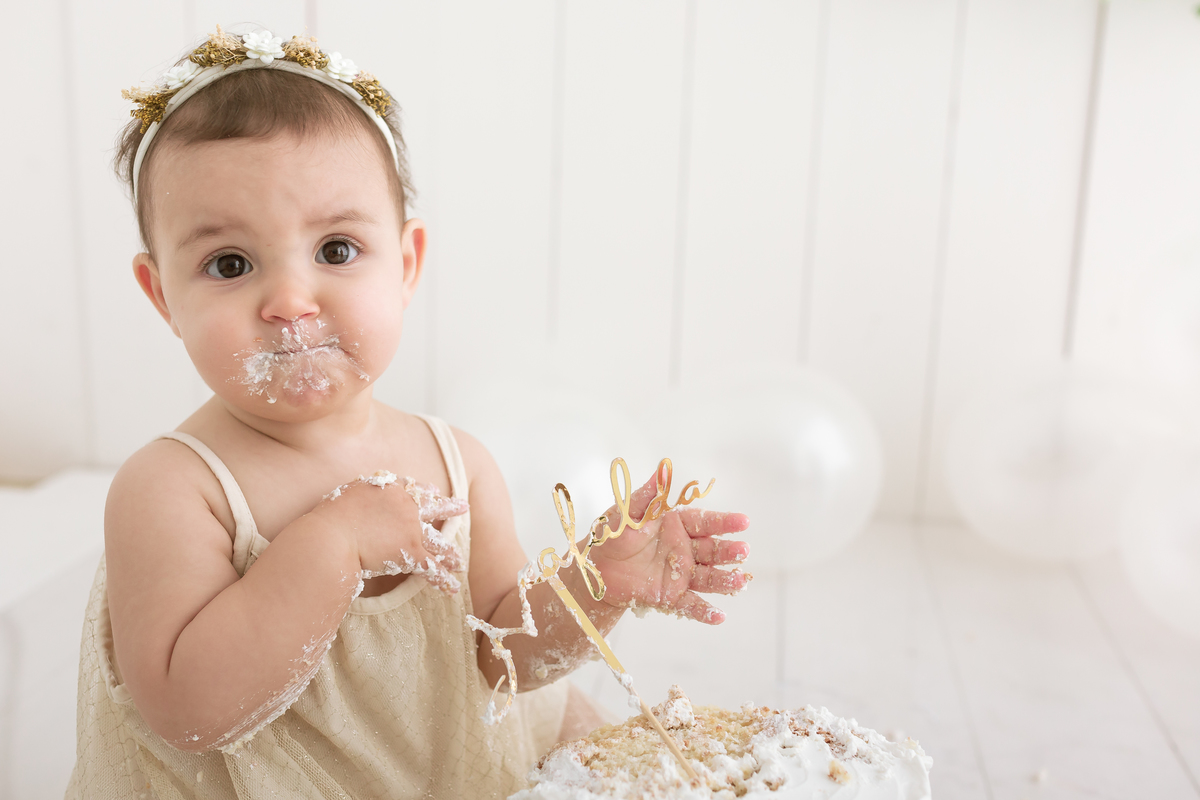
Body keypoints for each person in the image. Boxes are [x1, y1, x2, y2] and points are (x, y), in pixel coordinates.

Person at [67, 27, 751, 800]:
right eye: (230, 264)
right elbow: (189, 713)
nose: (291, 301)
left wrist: (594, 588)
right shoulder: (172, 488)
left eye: (335, 250)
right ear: (164, 296)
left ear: (406, 264)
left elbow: (503, 659)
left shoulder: (453, 462)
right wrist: (332, 545)